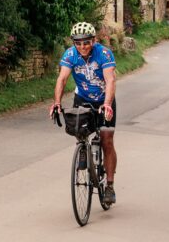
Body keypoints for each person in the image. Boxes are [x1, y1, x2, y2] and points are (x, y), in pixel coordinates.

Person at [49, 21, 118, 204]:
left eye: (86, 42)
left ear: (93, 40)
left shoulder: (104, 54)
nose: (82, 46)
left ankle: (109, 186)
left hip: (104, 99)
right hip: (83, 98)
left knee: (107, 140)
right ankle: (82, 149)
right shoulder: (70, 54)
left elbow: (110, 80)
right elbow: (62, 79)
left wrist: (107, 104)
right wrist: (57, 103)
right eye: (78, 43)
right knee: (79, 129)